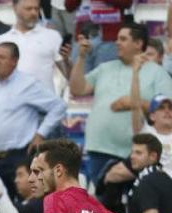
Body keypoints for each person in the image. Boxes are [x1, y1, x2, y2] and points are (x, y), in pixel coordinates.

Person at [70, 22, 172, 184]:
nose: (117, 43)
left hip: (136, 152)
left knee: (133, 204)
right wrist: (81, 57)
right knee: (101, 204)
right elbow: (78, 89)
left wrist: (134, 102)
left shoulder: (157, 72)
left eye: (123, 39)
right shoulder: (105, 68)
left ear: (138, 44)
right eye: (117, 38)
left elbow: (168, 109)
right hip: (100, 147)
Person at [0, 42, 67, 198]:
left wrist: (41, 134)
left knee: (21, 204)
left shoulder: (27, 84)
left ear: (14, 61)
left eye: (2, 57)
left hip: (18, 157)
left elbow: (58, 106)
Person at [0, 0, 65, 94]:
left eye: (36, 9)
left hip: (43, 104)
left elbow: (68, 74)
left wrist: (68, 60)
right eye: (28, 9)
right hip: (13, 104)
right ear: (15, 8)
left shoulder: (52, 36)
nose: (34, 13)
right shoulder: (2, 40)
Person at [132, 89, 172, 177]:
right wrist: (135, 75)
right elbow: (135, 104)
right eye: (161, 108)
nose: (167, 111)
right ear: (152, 116)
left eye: (170, 107)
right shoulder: (146, 132)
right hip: (153, 182)